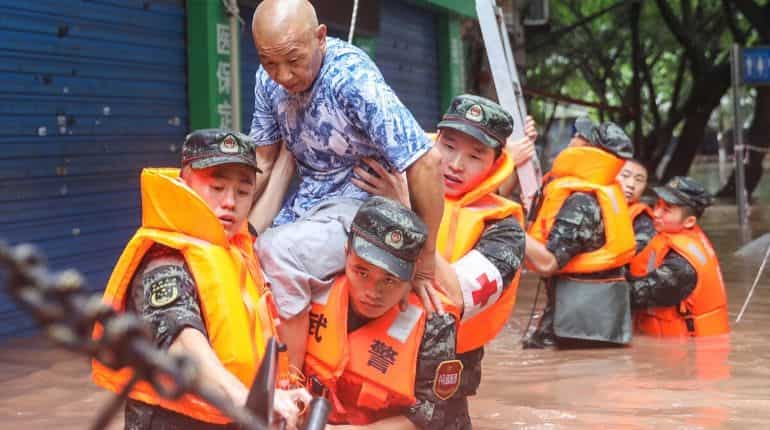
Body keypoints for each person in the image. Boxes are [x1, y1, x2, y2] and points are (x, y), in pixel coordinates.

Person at [247, 0, 445, 370]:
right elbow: (262, 161)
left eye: (293, 60)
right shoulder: (266, 82)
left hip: (362, 209)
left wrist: (424, 261)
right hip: (306, 208)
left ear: (320, 38)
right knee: (245, 256)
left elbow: (428, 162)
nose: (283, 75)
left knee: (276, 250)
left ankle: (291, 384)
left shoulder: (351, 80)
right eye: (269, 62)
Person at [91, 130, 310, 430]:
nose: (230, 202)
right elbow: (182, 343)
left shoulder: (234, 250)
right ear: (185, 184)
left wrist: (276, 393)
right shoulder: (165, 259)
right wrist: (248, 400)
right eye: (217, 187)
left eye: (243, 192)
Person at [351, 95, 527, 420]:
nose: (456, 164)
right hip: (362, 358)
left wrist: (409, 209)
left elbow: (459, 296)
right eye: (448, 146)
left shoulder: (505, 229)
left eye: (475, 156)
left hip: (440, 380)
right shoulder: (385, 179)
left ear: (496, 163)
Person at [302, 196, 465, 429]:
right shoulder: (310, 288)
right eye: (362, 272)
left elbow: (431, 416)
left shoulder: (434, 322)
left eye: (390, 280)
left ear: (413, 274)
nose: (373, 292)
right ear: (346, 253)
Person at [524, 118, 636, 348]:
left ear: (588, 147)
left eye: (577, 135)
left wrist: (509, 226)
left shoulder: (581, 201)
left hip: (573, 331)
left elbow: (548, 263)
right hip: (593, 328)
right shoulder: (598, 192)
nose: (571, 140)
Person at [628, 176, 730, 337]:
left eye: (666, 210)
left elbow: (634, 295)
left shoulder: (681, 266)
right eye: (657, 205)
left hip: (688, 352)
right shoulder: (669, 235)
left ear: (689, 221)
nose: (655, 213)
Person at [616, 158, 655, 252]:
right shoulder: (589, 202)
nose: (631, 184)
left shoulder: (643, 221)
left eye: (639, 180)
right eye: (625, 175)